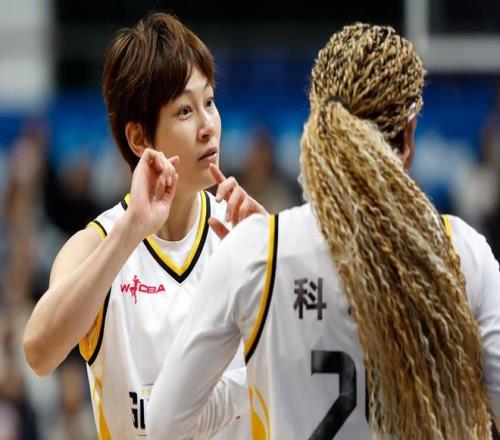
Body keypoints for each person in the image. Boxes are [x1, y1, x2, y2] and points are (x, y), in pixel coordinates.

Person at [146, 23, 500, 439]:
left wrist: (261, 369)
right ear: (407, 138)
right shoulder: (460, 251)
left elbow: (165, 425)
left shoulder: (254, 253)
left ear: (318, 127)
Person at [22, 12, 265, 439]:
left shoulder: (244, 231)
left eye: (209, 102)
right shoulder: (98, 243)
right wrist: (131, 229)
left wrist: (275, 263)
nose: (208, 126)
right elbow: (39, 352)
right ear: (139, 138)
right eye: (185, 110)